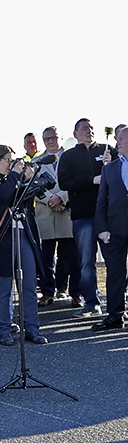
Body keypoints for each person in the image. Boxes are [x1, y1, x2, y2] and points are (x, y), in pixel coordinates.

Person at [0, 145, 47, 346]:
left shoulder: (13, 179)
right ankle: (3, 330)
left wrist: (28, 180)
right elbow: (2, 195)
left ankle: (32, 328)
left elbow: (25, 200)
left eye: (12, 159)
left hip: (22, 234)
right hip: (1, 239)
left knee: (29, 284)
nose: (11, 163)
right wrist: (16, 176)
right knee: (3, 287)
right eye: (7, 159)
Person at [58, 118, 115, 318]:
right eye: (84, 128)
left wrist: (110, 166)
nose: (89, 131)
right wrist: (91, 180)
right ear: (75, 134)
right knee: (86, 263)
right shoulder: (69, 156)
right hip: (83, 216)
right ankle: (91, 303)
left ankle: (117, 305)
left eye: (91, 128)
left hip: (108, 216)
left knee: (114, 261)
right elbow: (64, 182)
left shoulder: (108, 150)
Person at [34, 126, 81, 307]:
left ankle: (76, 293)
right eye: (47, 139)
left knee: (72, 257)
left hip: (67, 212)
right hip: (46, 214)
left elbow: (74, 182)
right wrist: (50, 200)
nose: (51, 141)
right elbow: (35, 186)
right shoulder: (37, 161)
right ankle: (47, 292)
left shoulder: (71, 158)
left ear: (60, 138)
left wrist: (60, 198)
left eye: (53, 137)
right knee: (46, 259)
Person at [92, 125, 128, 331]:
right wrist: (102, 228)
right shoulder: (109, 168)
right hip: (114, 230)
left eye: (122, 139)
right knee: (115, 273)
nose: (118, 143)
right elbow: (101, 202)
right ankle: (115, 316)